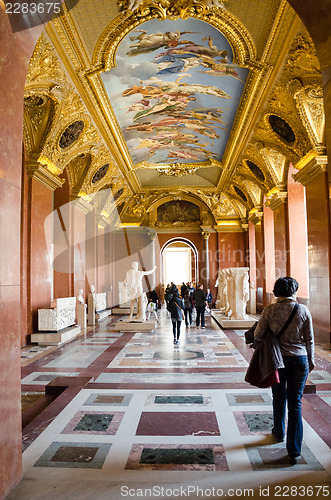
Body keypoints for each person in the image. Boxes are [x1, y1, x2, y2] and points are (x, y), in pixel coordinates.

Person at [254, 277, 315, 465]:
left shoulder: (270, 310)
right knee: (295, 402)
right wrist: (311, 360)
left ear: (276, 291)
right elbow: (309, 339)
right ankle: (294, 450)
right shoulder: (303, 310)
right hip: (299, 360)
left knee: (279, 396)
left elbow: (257, 335)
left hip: (277, 361)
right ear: (294, 291)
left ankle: (278, 432)